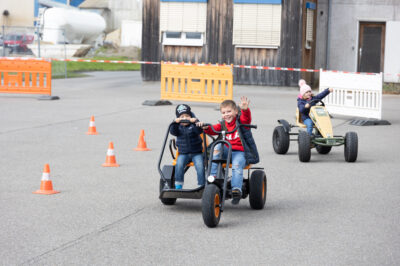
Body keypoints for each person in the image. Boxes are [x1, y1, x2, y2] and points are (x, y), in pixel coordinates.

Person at [202, 96, 259, 205]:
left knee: (237, 165)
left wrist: (245, 110)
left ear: (236, 111)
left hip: (239, 152)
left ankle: (236, 189)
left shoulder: (241, 122)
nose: (226, 114)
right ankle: (212, 177)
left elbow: (246, 118)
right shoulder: (222, 124)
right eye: (223, 112)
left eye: (229, 111)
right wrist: (205, 127)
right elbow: (213, 129)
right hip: (226, 151)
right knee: (217, 146)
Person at [170, 104, 205, 189]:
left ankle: (202, 185)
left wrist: (195, 122)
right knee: (179, 165)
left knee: (200, 166)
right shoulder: (177, 127)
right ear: (178, 118)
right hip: (183, 153)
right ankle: (178, 184)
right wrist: (175, 122)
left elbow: (199, 131)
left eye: (187, 116)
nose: (185, 118)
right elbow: (173, 132)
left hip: (196, 153)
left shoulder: (193, 125)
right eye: (182, 117)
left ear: (191, 116)